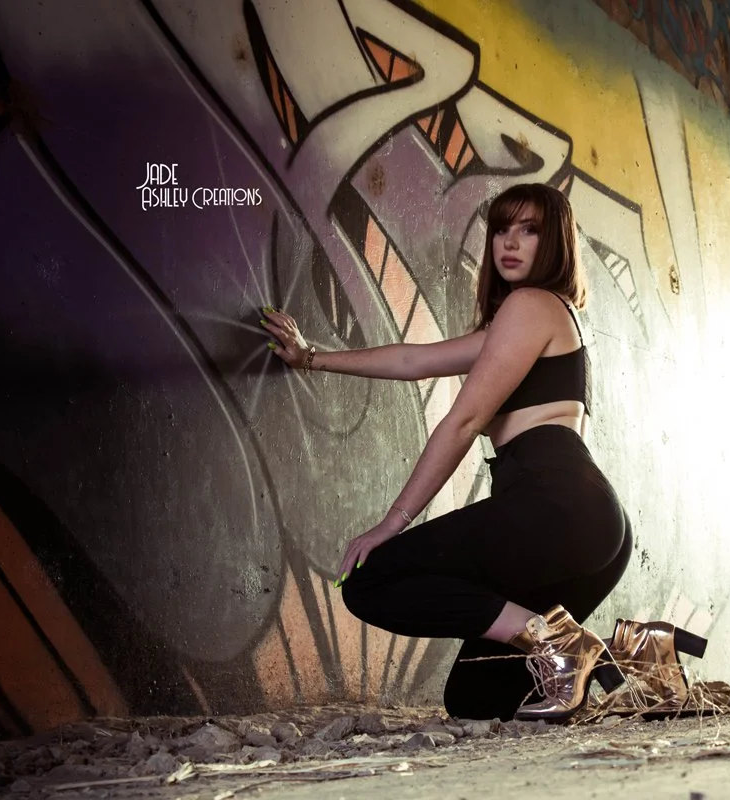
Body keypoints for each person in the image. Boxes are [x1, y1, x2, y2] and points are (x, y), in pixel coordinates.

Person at [260, 183, 632, 722]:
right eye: (502, 229)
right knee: (476, 700)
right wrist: (311, 357)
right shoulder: (529, 318)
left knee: (371, 578)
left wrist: (393, 521)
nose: (510, 242)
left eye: (530, 230)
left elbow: (463, 422)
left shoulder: (532, 305)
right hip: (584, 522)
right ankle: (636, 651)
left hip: (557, 508)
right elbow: (414, 360)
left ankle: (560, 644)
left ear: (556, 243)